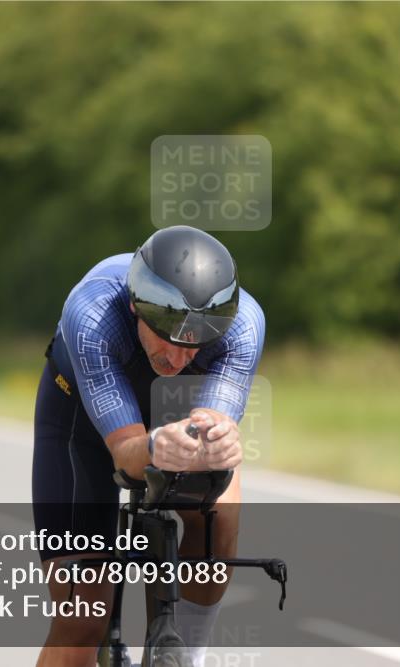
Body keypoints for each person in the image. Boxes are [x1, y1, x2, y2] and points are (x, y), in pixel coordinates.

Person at [33, 226, 264, 667]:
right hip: (79, 420)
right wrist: (156, 444)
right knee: (82, 620)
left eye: (196, 345)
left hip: (176, 413)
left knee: (220, 504)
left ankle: (188, 656)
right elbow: (126, 455)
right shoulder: (93, 312)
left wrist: (217, 443)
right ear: (138, 307)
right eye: (169, 340)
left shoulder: (243, 325)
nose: (179, 359)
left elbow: (213, 424)